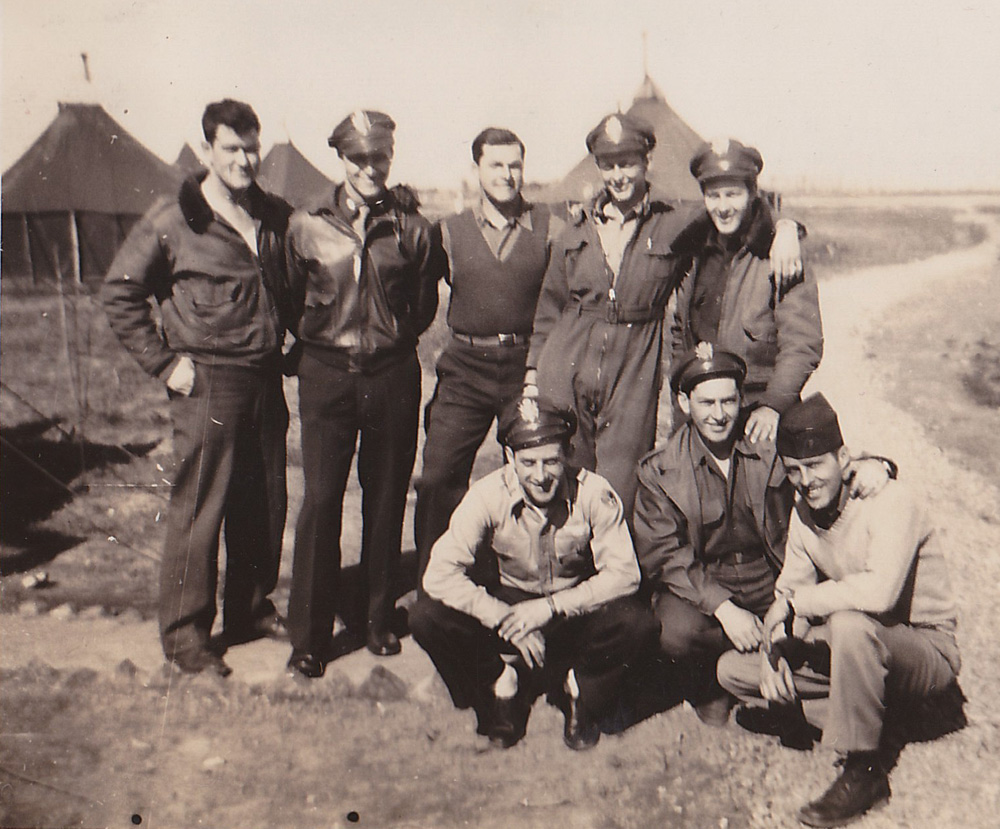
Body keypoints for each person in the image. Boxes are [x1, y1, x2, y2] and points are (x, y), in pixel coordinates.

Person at [527, 113, 803, 515]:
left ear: (647, 162)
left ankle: (619, 574)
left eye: (628, 163)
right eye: (609, 164)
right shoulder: (574, 229)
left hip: (632, 364)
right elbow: (550, 308)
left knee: (621, 484)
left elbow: (738, 213)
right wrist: (533, 373)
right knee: (566, 471)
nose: (619, 175)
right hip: (566, 361)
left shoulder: (676, 220)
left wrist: (787, 227)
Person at [102, 99, 293, 676]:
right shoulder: (173, 219)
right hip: (207, 381)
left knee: (263, 502)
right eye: (232, 148)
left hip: (263, 377)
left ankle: (250, 609)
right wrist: (165, 364)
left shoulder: (272, 213)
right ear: (208, 148)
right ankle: (186, 635)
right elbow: (119, 293)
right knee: (200, 505)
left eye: (252, 147)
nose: (245, 159)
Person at [717, 394, 961, 828]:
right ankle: (878, 717)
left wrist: (796, 605)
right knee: (734, 670)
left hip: (923, 649)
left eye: (815, 466)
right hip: (863, 648)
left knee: (849, 623)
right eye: (793, 470)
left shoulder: (888, 500)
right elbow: (790, 589)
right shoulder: (804, 511)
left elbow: (880, 593)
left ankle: (865, 771)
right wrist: (775, 653)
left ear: (844, 458)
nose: (805, 480)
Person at [633, 345, 894, 725]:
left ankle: (786, 674)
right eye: (706, 403)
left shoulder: (769, 440)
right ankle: (712, 683)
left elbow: (826, 463)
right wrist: (724, 609)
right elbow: (664, 554)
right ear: (684, 403)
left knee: (834, 625)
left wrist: (877, 465)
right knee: (673, 630)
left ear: (742, 399)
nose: (719, 415)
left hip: (776, 574)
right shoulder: (660, 470)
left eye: (728, 401)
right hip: (710, 583)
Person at [283, 110, 446, 677]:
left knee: (384, 501)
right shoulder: (305, 222)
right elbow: (287, 293)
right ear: (341, 159)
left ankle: (376, 621)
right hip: (326, 374)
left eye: (379, 157)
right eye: (358, 158)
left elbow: (424, 305)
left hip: (391, 375)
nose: (370, 168)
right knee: (322, 501)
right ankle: (308, 635)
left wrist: (392, 338)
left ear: (390, 157)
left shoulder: (414, 229)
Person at [410, 396, 657, 750]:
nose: (540, 476)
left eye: (551, 462)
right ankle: (500, 684)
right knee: (425, 616)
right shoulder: (486, 495)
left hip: (570, 610)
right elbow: (438, 574)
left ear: (568, 454)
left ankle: (579, 689)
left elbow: (625, 575)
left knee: (637, 623)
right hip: (510, 605)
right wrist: (501, 616)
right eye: (528, 463)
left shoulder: (594, 493)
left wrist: (551, 607)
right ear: (510, 458)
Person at [414, 128, 561, 583]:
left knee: (531, 477)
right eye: (496, 165)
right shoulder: (450, 231)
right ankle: (436, 584)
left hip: (526, 367)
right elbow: (411, 287)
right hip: (466, 367)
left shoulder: (550, 225)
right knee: (438, 477)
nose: (507, 174)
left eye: (515, 164)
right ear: (476, 168)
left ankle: (527, 582)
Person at [670, 139, 823, 443]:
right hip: (700, 415)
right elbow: (678, 331)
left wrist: (773, 406)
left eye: (733, 194)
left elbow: (802, 344)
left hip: (756, 415)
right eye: (713, 196)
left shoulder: (779, 255)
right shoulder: (694, 248)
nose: (723, 207)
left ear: (753, 194)